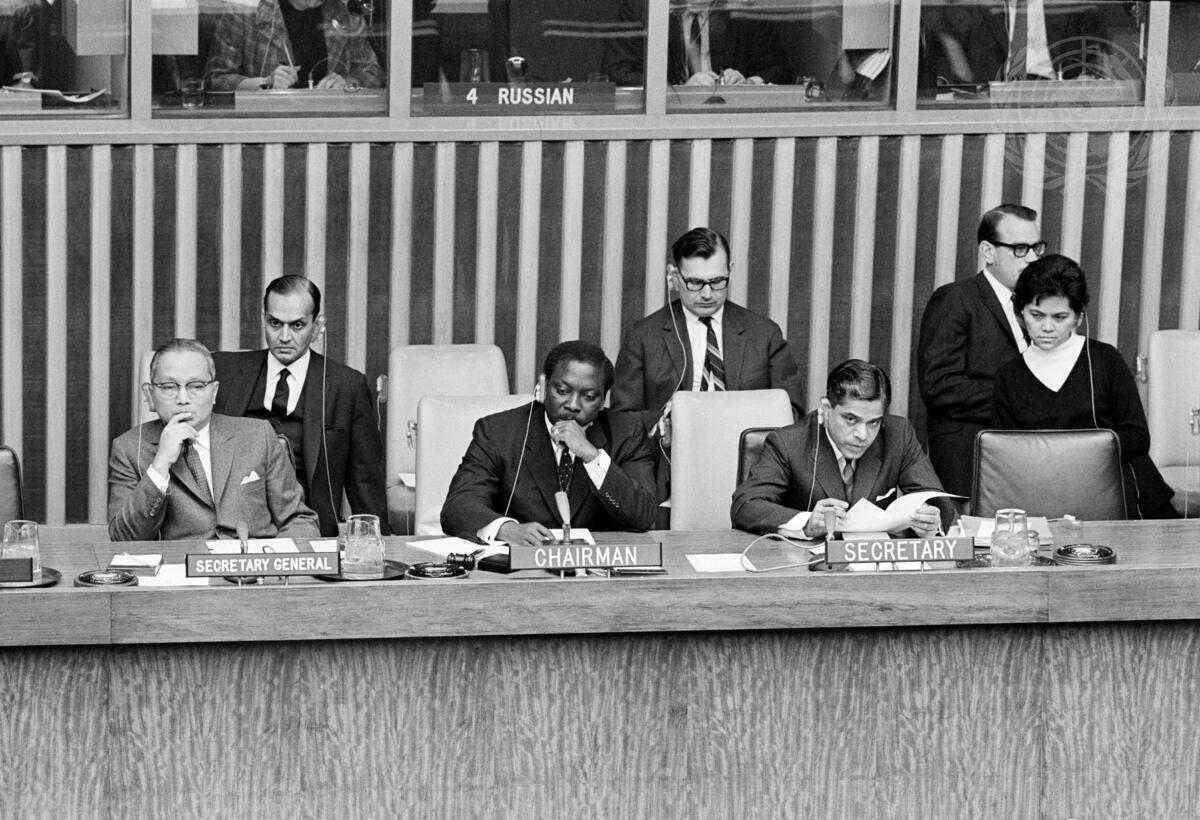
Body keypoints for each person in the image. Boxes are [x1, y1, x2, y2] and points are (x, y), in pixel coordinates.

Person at [991, 255, 1176, 519]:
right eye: (1037, 315)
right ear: (1020, 313)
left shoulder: (1106, 360)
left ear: (1078, 318)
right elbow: (1005, 453)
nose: (1047, 327)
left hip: (1125, 492)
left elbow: (1137, 436)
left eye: (1060, 317)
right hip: (1047, 499)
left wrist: (1074, 453)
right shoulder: (1008, 377)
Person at [211, 275, 389, 537]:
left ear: (317, 327)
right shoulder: (223, 371)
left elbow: (365, 480)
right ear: (263, 319)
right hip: (231, 529)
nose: (284, 337)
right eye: (275, 323)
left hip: (311, 529)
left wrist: (377, 542)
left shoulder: (347, 386)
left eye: (297, 325)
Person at [441, 340, 658, 548]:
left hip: (598, 565)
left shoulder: (627, 434)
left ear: (602, 400)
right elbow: (458, 506)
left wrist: (591, 456)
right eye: (562, 391)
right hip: (522, 563)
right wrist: (507, 529)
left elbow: (644, 516)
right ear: (543, 386)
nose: (573, 405)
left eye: (589, 396)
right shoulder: (498, 432)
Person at [109, 338, 320, 542]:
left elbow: (300, 520)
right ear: (150, 395)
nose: (183, 399)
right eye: (169, 387)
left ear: (214, 392)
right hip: (182, 565)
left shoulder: (258, 435)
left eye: (196, 386)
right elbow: (123, 538)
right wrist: (160, 464)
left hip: (253, 562)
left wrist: (271, 558)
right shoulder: (128, 449)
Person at [612, 227, 805, 449]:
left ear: (730, 270)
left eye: (717, 281)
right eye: (695, 283)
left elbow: (792, 413)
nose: (707, 294)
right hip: (671, 458)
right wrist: (666, 422)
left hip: (748, 459)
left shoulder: (764, 334)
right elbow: (623, 421)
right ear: (674, 277)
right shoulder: (643, 337)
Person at [732, 359, 944, 537]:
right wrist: (806, 522)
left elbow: (938, 502)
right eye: (851, 419)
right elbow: (746, 505)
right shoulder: (788, 443)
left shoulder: (898, 435)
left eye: (873, 422)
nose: (862, 435)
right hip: (804, 563)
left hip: (873, 564)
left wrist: (931, 522)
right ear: (826, 409)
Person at [917, 203, 1043, 497]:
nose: (1033, 258)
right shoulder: (955, 298)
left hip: (1026, 453)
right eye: (1020, 249)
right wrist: (1020, 399)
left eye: (1037, 248)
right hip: (970, 451)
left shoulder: (1037, 307)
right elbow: (938, 384)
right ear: (988, 252)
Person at [203, 0, 385, 92]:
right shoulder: (244, 13)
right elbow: (215, 81)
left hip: (330, 127)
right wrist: (264, 83)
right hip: (266, 128)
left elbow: (373, 73)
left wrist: (347, 84)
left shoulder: (345, 15)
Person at [601, 0, 790, 87]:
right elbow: (617, 70)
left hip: (732, 118)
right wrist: (676, 91)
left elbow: (778, 69)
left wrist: (749, 82)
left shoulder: (741, 8)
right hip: (668, 118)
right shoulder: (643, 8)